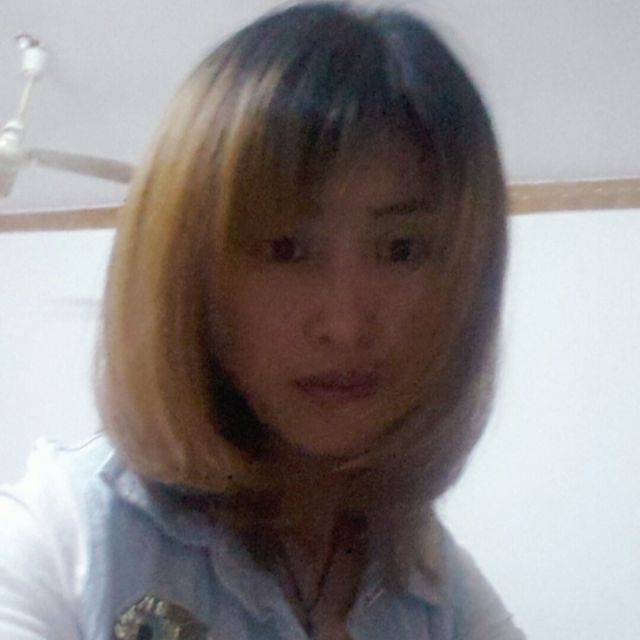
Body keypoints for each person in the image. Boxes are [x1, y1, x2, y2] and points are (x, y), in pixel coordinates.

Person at [0, 2, 526, 638]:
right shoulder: (62, 543)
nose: (346, 324)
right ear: (190, 275)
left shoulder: (434, 586)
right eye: (286, 248)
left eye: (402, 249)